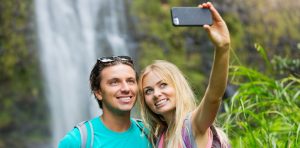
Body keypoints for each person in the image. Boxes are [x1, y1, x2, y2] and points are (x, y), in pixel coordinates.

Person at [138, 2, 230, 148]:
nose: (156, 94)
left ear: (178, 87)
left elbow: (214, 97)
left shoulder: (193, 125)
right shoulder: (160, 136)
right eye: (148, 91)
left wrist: (223, 48)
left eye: (163, 85)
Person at [59, 56, 151, 147]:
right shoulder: (76, 141)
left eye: (130, 81)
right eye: (114, 82)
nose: (126, 88)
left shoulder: (150, 133)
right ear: (98, 93)